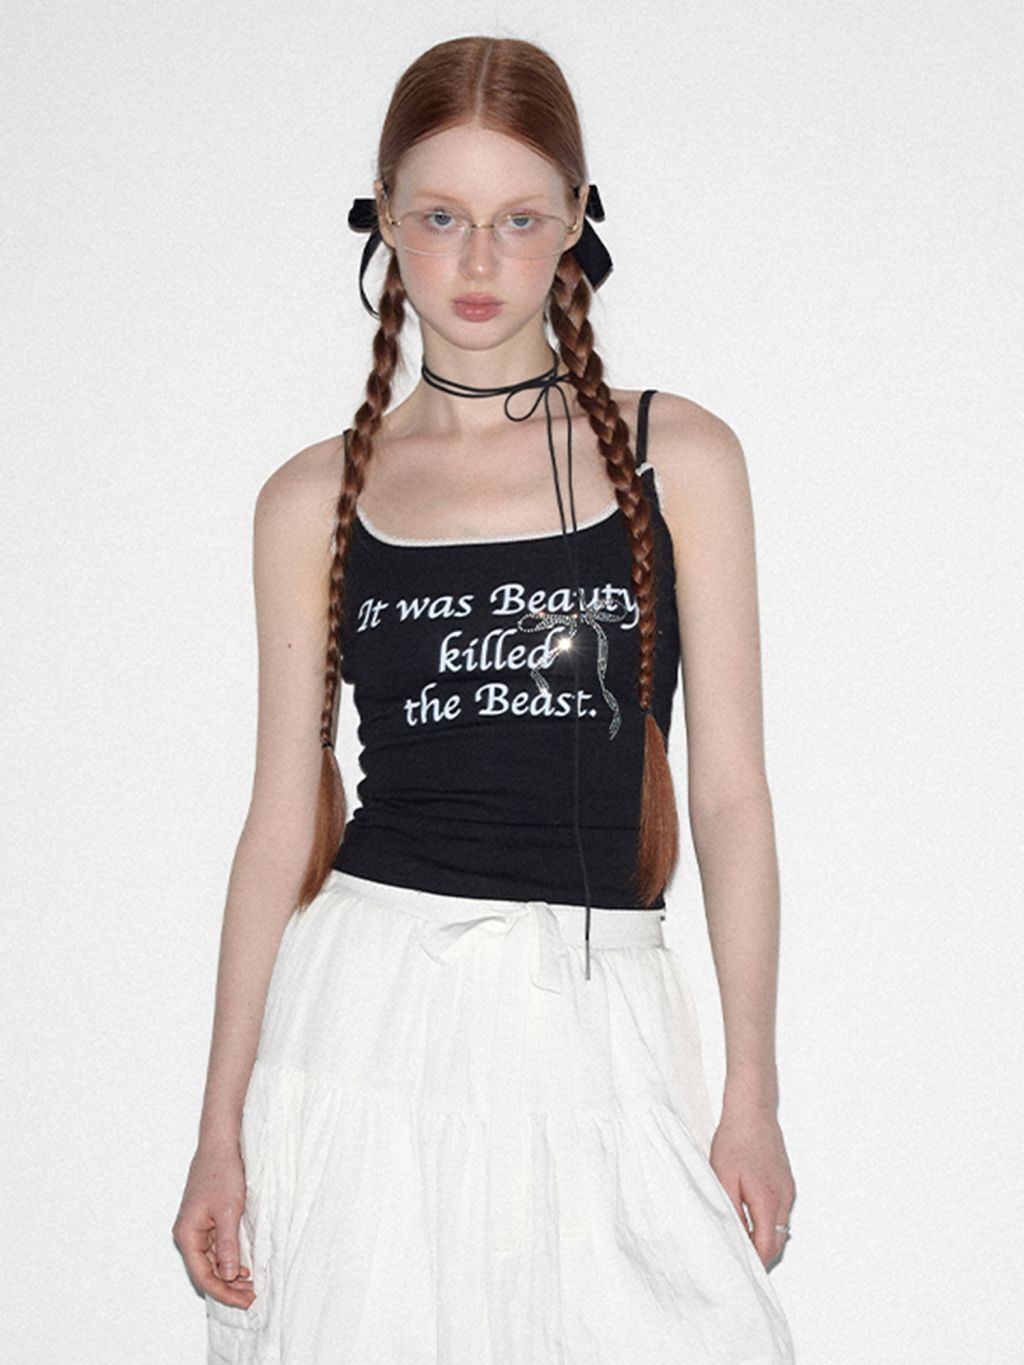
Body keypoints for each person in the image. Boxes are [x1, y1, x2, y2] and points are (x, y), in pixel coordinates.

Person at [172, 33, 798, 1364]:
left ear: (574, 221)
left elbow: (732, 796)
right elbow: (279, 824)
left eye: (518, 219)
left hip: (598, 1014)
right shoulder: (312, 497)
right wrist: (219, 1130)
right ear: (386, 221)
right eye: (441, 216)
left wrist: (753, 1092)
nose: (476, 260)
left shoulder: (677, 456)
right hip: (368, 1013)